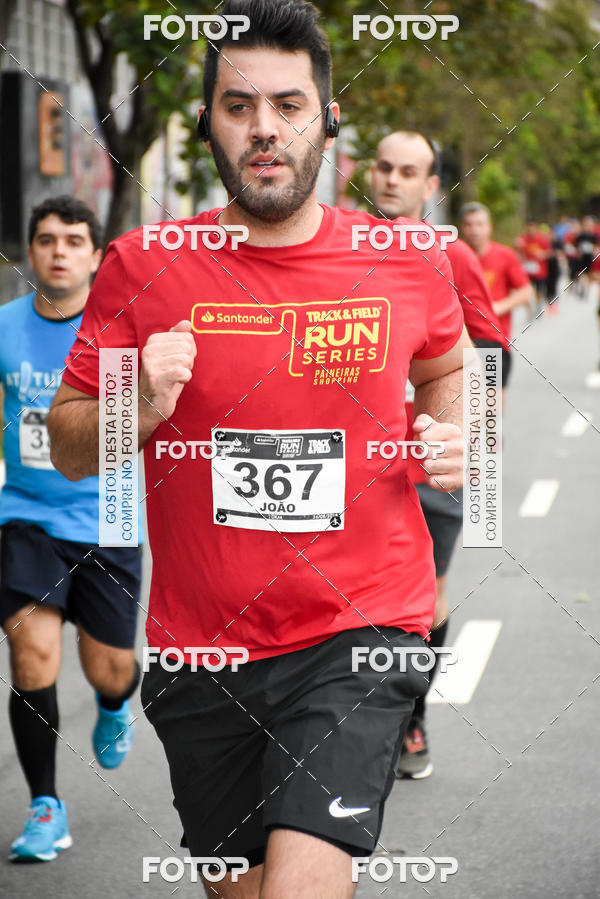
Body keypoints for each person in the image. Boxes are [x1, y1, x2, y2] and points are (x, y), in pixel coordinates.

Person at [48, 2, 471, 896]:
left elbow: (449, 365)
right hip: (205, 656)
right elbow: (73, 446)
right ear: (207, 121)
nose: (265, 129)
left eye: (288, 103)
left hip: (361, 631)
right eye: (238, 107)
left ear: (329, 116)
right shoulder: (141, 264)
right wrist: (141, 403)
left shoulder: (405, 260)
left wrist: (457, 435)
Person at [0, 196, 142, 863]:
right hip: (26, 517)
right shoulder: (3, 328)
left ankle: (117, 702)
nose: (59, 250)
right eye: (47, 239)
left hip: (109, 515)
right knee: (31, 653)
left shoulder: (119, 333)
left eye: (74, 240)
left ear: (96, 255)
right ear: (31, 252)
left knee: (108, 668)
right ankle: (45, 805)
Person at [369, 131, 508, 779]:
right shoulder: (340, 248)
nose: (392, 180)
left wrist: (473, 434)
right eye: (383, 167)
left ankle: (412, 716)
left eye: (409, 172)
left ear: (431, 187)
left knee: (425, 600)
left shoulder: (449, 255)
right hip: (350, 461)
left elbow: (490, 348)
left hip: (426, 460)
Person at [460, 202, 533, 404]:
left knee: (492, 409)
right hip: (461, 342)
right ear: (462, 227)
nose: (474, 229)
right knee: (469, 408)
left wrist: (497, 307)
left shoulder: (504, 256)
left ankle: (495, 436)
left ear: (489, 226)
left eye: (479, 224)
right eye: (469, 224)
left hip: (493, 340)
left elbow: (526, 292)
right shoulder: (456, 256)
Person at [515, 221, 551, 311]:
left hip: (539, 270)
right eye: (529, 229)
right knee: (526, 290)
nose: (531, 231)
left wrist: (543, 254)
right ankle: (529, 310)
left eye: (532, 229)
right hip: (527, 270)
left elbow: (549, 252)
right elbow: (517, 251)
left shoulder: (541, 239)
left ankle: (538, 305)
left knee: (538, 290)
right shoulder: (522, 239)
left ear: (536, 229)